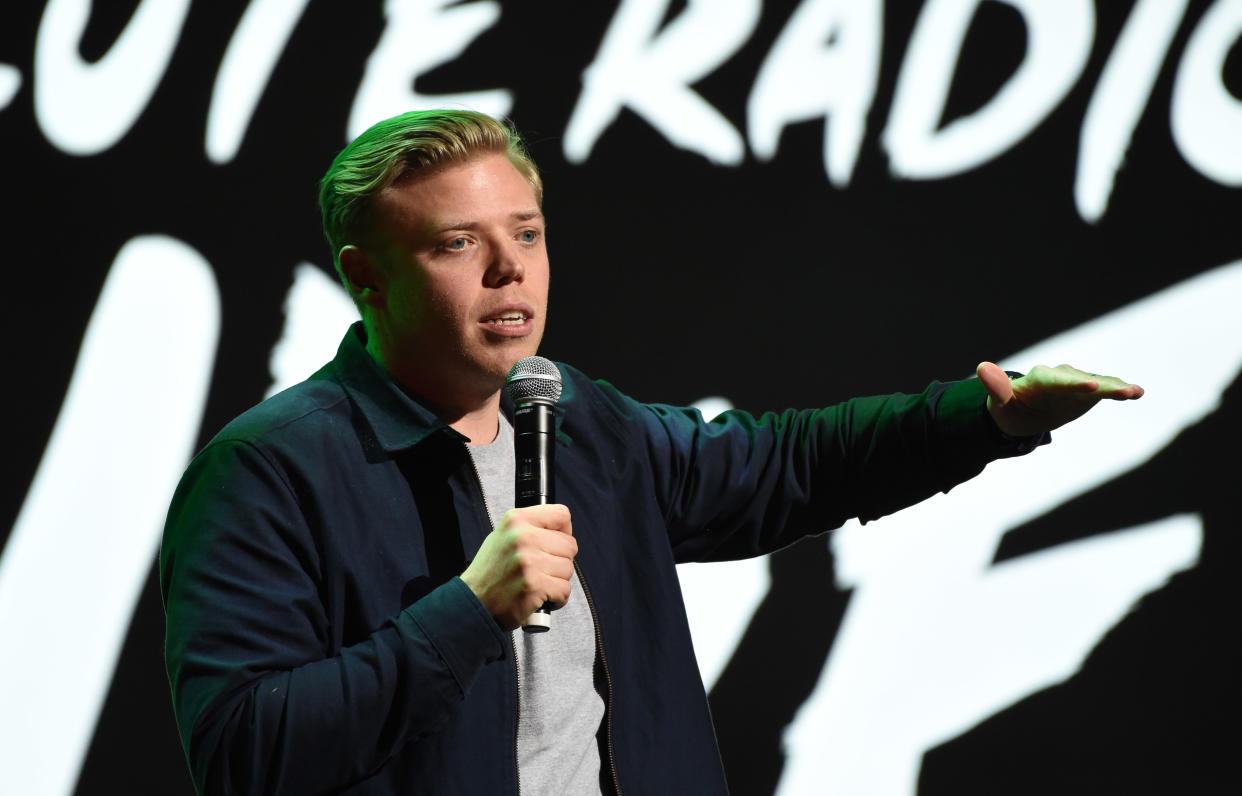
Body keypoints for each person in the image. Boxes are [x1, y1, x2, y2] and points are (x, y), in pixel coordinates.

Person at [160, 109, 1144, 795]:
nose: (512, 270)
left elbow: (784, 464)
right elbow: (245, 753)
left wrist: (985, 419)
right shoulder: (268, 472)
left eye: (529, 233)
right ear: (366, 280)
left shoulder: (578, 419)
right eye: (459, 244)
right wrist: (466, 613)